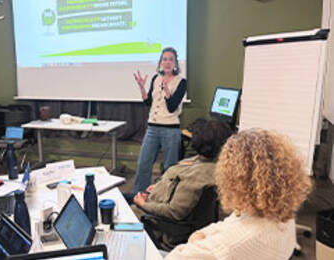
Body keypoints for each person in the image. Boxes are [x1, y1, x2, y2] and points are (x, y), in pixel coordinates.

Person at [165, 129, 312, 260]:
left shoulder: (228, 246)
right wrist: (201, 236)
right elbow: (229, 223)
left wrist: (196, 239)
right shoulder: (283, 218)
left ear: (234, 178)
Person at [129, 120, 232, 249]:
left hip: (159, 222)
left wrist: (143, 204)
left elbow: (174, 212)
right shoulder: (213, 166)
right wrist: (162, 186)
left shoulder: (197, 177)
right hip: (159, 198)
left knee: (120, 201)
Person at [133, 47, 187, 193]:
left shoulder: (181, 82)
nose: (167, 62)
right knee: (143, 164)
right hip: (152, 128)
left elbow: (171, 107)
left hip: (170, 129)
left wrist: (168, 92)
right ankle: (138, 196)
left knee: (169, 168)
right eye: (164, 59)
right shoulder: (156, 79)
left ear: (175, 63)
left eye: (171, 59)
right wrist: (142, 88)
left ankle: (166, 198)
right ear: (160, 62)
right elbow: (148, 102)